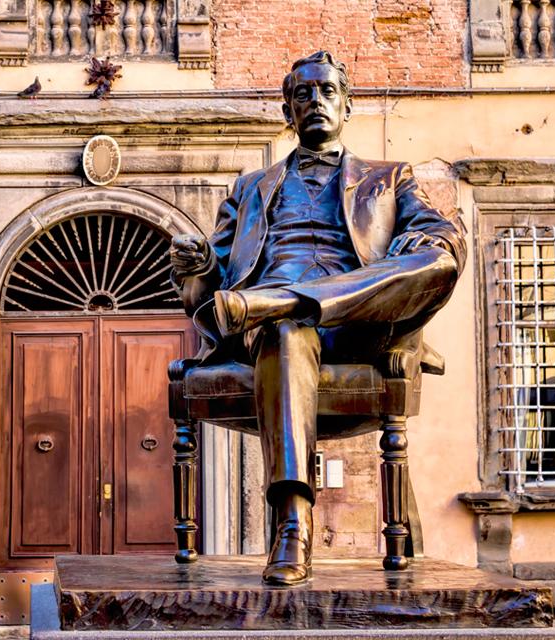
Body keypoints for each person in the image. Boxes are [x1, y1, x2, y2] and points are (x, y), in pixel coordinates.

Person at [169, 51, 466, 586]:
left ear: (347, 104)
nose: (316, 102)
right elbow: (205, 295)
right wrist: (196, 266)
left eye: (328, 91)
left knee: (442, 255)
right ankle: (293, 523)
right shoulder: (248, 189)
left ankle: (282, 300)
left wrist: (422, 248)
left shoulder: (389, 178)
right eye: (302, 94)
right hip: (269, 333)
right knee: (286, 330)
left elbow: (438, 247)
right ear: (288, 110)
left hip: (360, 328)